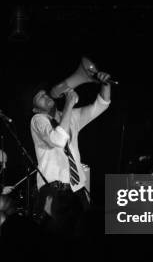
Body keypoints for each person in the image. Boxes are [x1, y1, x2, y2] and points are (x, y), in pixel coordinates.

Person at [29, 67, 112, 212]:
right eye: (40, 97)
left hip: (77, 186)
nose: (46, 96)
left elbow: (102, 104)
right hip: (54, 188)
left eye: (45, 94)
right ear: (35, 109)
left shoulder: (70, 116)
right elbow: (58, 139)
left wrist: (105, 84)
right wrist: (69, 103)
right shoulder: (37, 120)